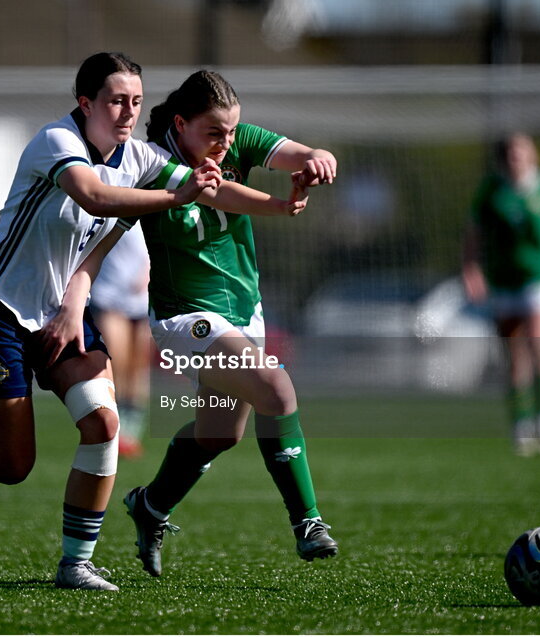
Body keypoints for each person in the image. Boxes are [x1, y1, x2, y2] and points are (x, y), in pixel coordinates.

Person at [0, 52, 306, 592]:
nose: (127, 111)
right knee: (11, 463)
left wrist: (282, 206)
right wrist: (174, 194)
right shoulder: (56, 143)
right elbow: (94, 195)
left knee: (104, 423)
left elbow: (212, 191)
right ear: (85, 103)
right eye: (115, 100)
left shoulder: (137, 157)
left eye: (135, 101)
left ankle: (76, 564)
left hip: (65, 312)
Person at [120, 69, 340, 578]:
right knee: (277, 389)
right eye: (215, 133)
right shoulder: (152, 163)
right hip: (186, 319)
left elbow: (297, 154)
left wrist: (316, 161)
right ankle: (308, 522)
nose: (227, 143)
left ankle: (149, 507)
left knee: (219, 434)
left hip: (244, 311)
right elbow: (216, 197)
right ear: (181, 123)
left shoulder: (233, 138)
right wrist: (282, 206)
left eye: (233, 133)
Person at [461, 133, 540, 457]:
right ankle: (521, 426)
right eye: (509, 153)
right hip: (504, 283)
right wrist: (471, 269)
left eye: (521, 152)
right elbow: (473, 232)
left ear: (532, 155)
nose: (515, 157)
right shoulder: (492, 190)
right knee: (515, 356)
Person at [88, 224, 152, 459]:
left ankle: (131, 431)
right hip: (109, 294)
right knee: (116, 361)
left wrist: (148, 272)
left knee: (138, 367)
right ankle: (111, 426)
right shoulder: (110, 206)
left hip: (143, 297)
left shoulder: (156, 208)